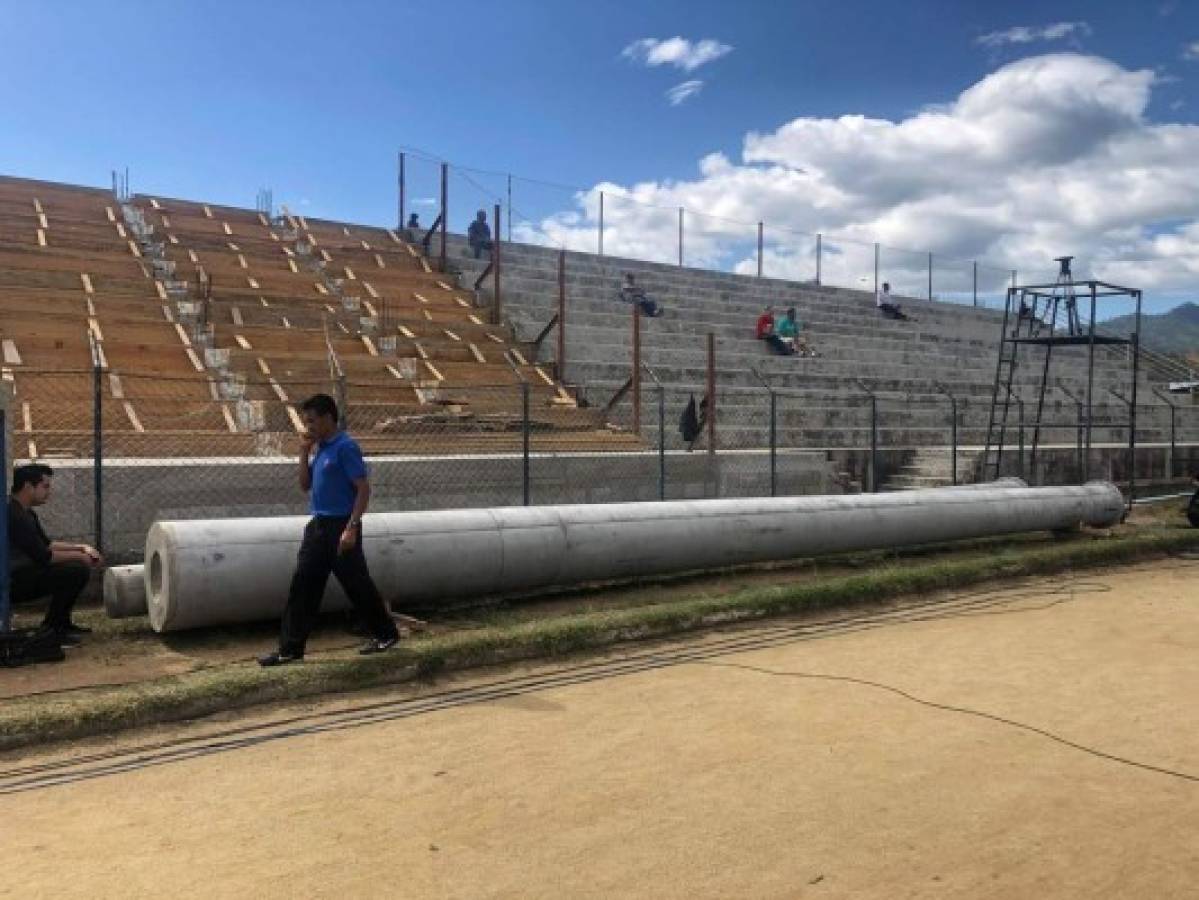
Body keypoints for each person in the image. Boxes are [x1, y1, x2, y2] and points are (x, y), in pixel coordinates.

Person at [259, 394, 400, 666]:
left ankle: (386, 634)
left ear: (327, 418)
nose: (308, 426)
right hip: (318, 527)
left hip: (341, 525)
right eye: (305, 421)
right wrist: (303, 452)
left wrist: (352, 528)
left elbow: (362, 489)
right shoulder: (320, 448)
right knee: (303, 586)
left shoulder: (345, 447)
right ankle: (290, 649)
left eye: (312, 421)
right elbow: (304, 485)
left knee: (357, 585)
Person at [8, 463, 102, 646]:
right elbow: (44, 557)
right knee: (74, 571)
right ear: (28, 487)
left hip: (22, 574)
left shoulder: (25, 512)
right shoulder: (15, 516)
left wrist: (81, 548)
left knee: (75, 569)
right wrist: (79, 557)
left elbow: (48, 544)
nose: (49, 492)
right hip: (11, 583)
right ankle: (54, 628)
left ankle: (61, 624)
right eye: (45, 486)